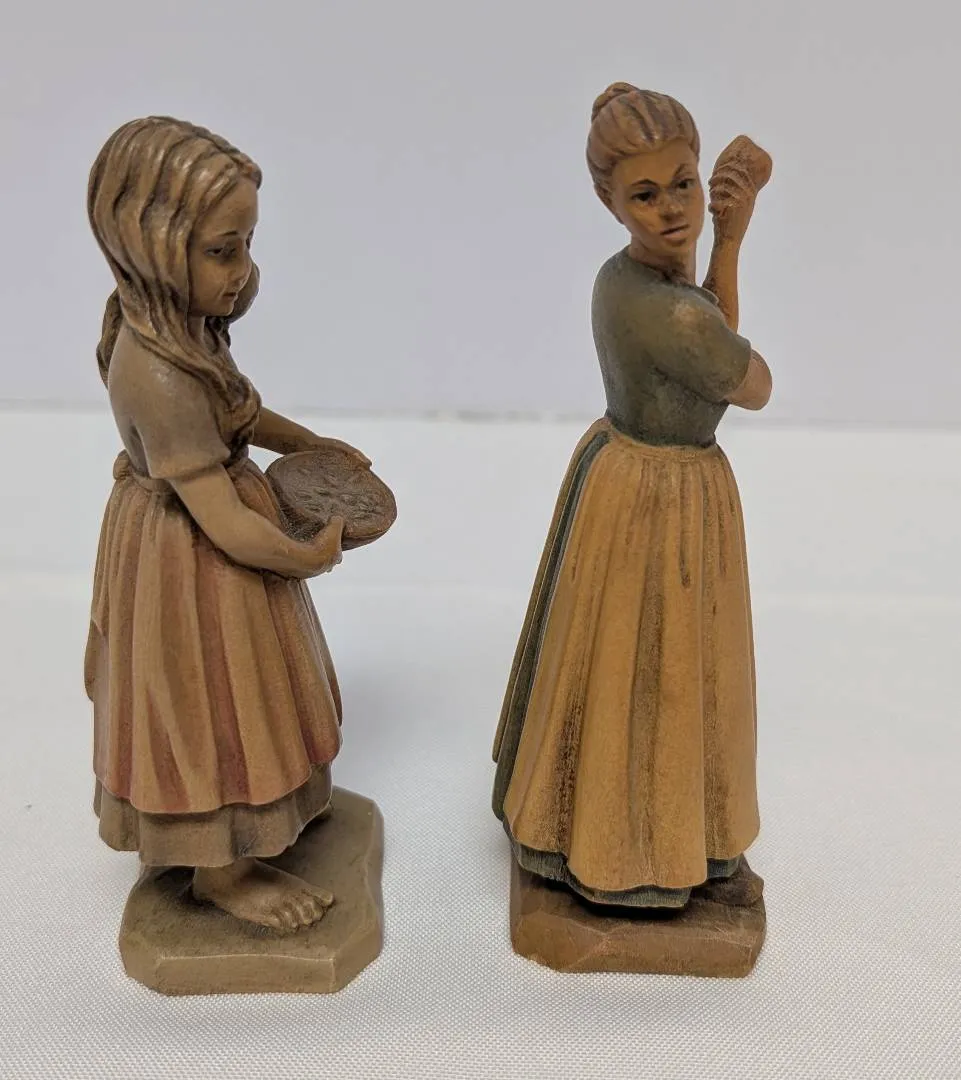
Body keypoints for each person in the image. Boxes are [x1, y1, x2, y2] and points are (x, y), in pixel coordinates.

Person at [85, 116, 368, 933]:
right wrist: (302, 555)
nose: (241, 270)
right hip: (190, 554)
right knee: (208, 705)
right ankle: (222, 871)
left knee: (253, 692)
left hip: (218, 529)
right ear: (150, 247)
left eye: (246, 244)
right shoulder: (158, 375)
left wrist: (304, 442)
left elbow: (238, 412)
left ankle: (271, 816)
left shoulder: (185, 332)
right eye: (221, 250)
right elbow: (224, 524)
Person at [492, 85, 772, 908]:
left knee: (615, 664)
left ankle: (587, 826)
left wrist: (724, 241)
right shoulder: (674, 317)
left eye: (682, 183)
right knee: (654, 675)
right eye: (644, 195)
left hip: (617, 474)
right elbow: (749, 380)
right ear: (606, 201)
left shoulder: (617, 280)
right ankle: (635, 854)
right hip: (665, 499)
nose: (670, 209)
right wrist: (729, 244)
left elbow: (705, 328)